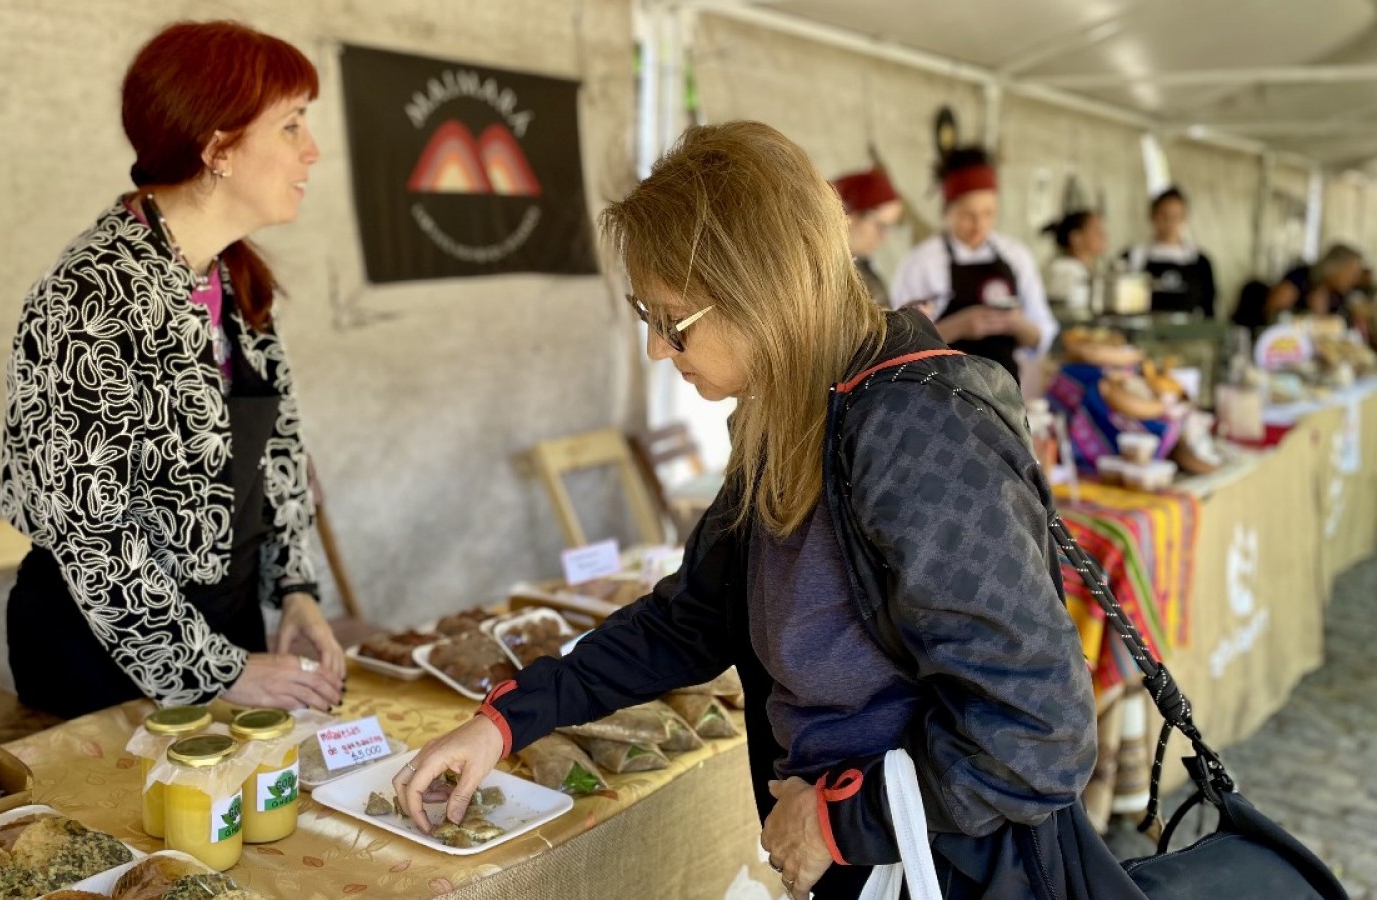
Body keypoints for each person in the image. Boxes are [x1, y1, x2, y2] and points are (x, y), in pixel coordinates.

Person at [395, 123, 1124, 900]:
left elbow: (1037, 731)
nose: (655, 350)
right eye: (646, 316)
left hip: (949, 869)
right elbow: (692, 618)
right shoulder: (784, 411)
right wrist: (505, 722)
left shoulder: (919, 429)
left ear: (762, 290)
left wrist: (841, 823)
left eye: (670, 322)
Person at [0, 20, 345, 719]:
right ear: (219, 147)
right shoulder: (89, 296)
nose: (311, 152)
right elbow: (93, 532)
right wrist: (219, 670)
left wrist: (296, 588)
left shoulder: (231, 278)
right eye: (290, 126)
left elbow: (274, 451)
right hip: (101, 656)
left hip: (232, 631)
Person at [889, 146, 1057, 384]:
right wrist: (958, 327)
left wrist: (1016, 324)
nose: (979, 224)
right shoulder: (921, 263)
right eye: (968, 214)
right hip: (939, 392)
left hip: (1004, 395)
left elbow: (1042, 336)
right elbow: (899, 348)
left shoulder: (1016, 256)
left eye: (989, 213)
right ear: (946, 211)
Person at [1124, 187, 1216, 317]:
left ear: (1184, 218)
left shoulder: (1200, 262)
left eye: (1176, 216)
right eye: (1164, 215)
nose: (1169, 222)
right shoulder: (1134, 256)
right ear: (1152, 216)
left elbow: (1209, 310)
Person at [832, 167, 903, 308]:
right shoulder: (827, 273)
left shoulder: (862, 265)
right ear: (850, 216)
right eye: (881, 226)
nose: (885, 236)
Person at [1266, 243, 1366, 319]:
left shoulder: (1339, 294)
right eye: (1351, 273)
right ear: (1335, 267)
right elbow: (1272, 312)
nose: (1354, 279)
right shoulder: (1300, 278)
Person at [1042, 210, 1107, 318]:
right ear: (1076, 238)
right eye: (1096, 231)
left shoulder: (1078, 270)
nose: (1103, 235)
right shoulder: (1064, 271)